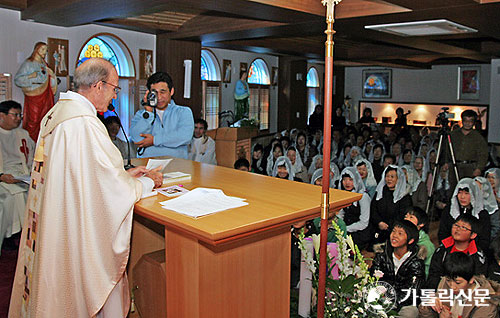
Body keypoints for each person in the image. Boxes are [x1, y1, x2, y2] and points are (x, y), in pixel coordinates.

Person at [9, 58, 163, 318]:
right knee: (98, 271)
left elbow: (83, 173)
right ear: (98, 85)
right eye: (115, 88)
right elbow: (110, 191)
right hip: (76, 226)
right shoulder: (84, 123)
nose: (115, 96)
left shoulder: (57, 114)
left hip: (58, 216)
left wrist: (123, 172)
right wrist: (149, 182)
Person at [131, 71, 194, 159]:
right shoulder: (141, 115)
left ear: (171, 91)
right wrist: (148, 113)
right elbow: (136, 139)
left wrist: (154, 140)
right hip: (147, 167)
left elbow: (184, 136)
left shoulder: (183, 112)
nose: (159, 97)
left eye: (163, 92)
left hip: (177, 166)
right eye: (155, 93)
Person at [370, 220, 425, 317]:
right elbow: (373, 279)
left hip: (403, 303)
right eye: (393, 231)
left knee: (411, 312)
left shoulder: (416, 262)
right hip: (381, 298)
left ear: (410, 240)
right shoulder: (382, 255)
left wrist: (392, 303)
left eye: (400, 233)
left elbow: (412, 292)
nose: (394, 235)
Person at [419, 252, 500, 318]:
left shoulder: (486, 302)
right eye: (448, 280)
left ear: (471, 280)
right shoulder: (445, 282)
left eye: (458, 283)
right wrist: (429, 305)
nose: (452, 286)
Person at [0, 100, 35, 253]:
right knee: (8, 198)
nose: (19, 118)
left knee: (33, 195)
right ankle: (9, 235)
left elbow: (34, 155)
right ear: (2, 116)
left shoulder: (23, 134)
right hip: (3, 177)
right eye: (15, 115)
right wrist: (1, 176)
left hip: (22, 175)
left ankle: (25, 237)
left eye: (20, 115)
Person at [427, 214, 488, 290]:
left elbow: (480, 280)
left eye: (464, 227)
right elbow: (434, 274)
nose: (458, 229)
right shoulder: (442, 249)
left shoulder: (477, 255)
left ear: (473, 235)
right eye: (456, 225)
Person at [14, 42, 57, 142]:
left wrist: (52, 75)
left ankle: (42, 143)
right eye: (42, 49)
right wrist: (30, 77)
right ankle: (31, 143)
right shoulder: (28, 63)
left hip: (45, 95)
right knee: (33, 120)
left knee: (45, 119)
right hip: (34, 96)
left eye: (45, 50)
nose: (44, 52)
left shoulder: (44, 65)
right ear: (36, 50)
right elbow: (18, 80)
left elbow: (51, 80)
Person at [438, 178, 491, 252]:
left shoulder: (482, 214)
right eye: (460, 192)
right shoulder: (449, 210)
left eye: (466, 193)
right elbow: (442, 233)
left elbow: (484, 240)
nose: (462, 197)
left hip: (473, 253)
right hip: (451, 250)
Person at [370, 165, 412, 244]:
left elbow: (403, 215)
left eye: (392, 177)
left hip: (394, 230)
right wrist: (379, 222)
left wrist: (388, 226)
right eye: (387, 176)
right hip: (378, 227)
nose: (389, 179)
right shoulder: (380, 191)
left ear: (398, 179)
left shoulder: (404, 196)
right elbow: (373, 208)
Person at [447, 110, 488, 183]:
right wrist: (446, 163)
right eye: (465, 121)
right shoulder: (453, 134)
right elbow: (447, 150)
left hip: (470, 167)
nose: (467, 123)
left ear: (474, 123)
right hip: (454, 166)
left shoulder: (478, 137)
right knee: (453, 189)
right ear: (462, 121)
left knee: (468, 189)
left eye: (470, 121)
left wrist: (479, 168)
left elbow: (483, 154)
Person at [337, 167, 372, 250]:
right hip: (347, 231)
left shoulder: (363, 197)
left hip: (360, 234)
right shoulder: (344, 195)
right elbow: (341, 214)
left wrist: (345, 229)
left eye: (350, 180)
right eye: (344, 180)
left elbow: (364, 222)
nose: (347, 183)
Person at [404, 207, 435, 278]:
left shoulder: (427, 245)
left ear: (421, 224)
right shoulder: (401, 237)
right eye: (406, 217)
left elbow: (427, 270)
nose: (406, 219)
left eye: (411, 217)